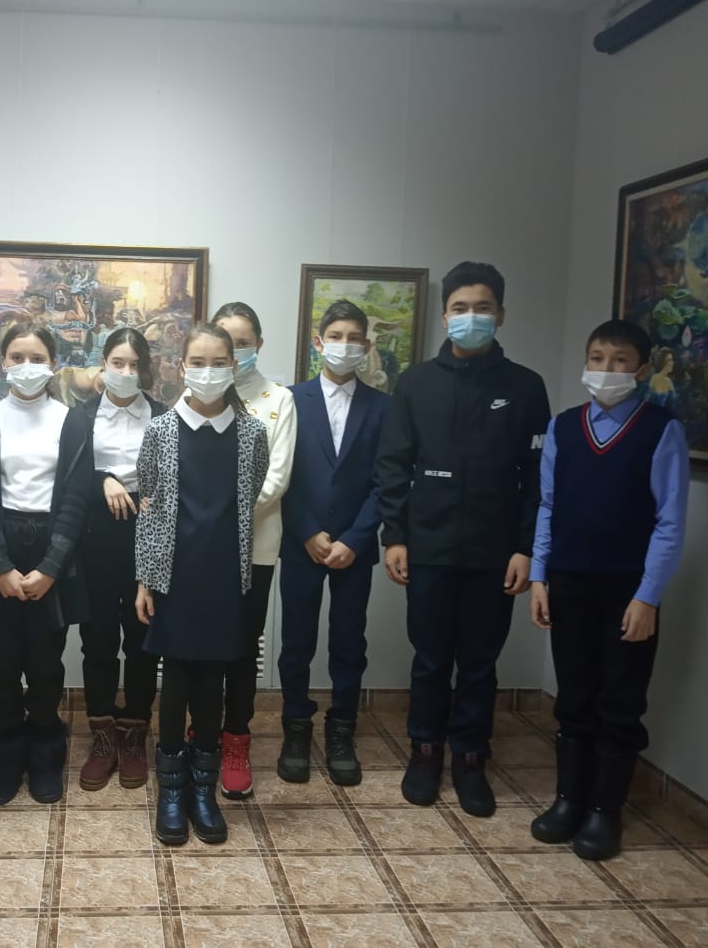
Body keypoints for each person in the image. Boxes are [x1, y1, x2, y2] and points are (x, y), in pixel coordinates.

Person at [376, 261, 551, 818]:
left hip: (495, 552)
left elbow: (538, 477)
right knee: (430, 658)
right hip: (427, 546)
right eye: (459, 308)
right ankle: (425, 750)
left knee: (479, 660)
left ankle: (471, 757)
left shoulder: (525, 387)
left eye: (482, 308)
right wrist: (394, 535)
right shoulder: (416, 383)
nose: (470, 317)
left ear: (501, 315)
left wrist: (526, 547)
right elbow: (393, 464)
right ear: (444, 314)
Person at [528, 319, 688, 861]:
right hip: (568, 581)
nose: (606, 370)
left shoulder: (660, 430)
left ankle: (604, 809)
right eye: (597, 358)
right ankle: (569, 799)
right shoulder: (564, 427)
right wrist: (540, 577)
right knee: (574, 695)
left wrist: (648, 596)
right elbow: (548, 506)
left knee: (620, 700)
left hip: (628, 591)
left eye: (619, 361)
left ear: (641, 370)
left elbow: (670, 522)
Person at [136, 323, 270, 846]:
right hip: (175, 578)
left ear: (233, 367)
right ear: (181, 366)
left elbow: (251, 494)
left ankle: (202, 789)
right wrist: (146, 578)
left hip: (224, 577)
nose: (208, 372)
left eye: (219, 362)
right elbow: (149, 507)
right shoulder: (160, 431)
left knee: (213, 685)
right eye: (198, 362)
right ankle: (171, 790)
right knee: (175, 683)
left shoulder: (252, 433)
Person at [0, 323, 92, 806]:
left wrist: (52, 566)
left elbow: (77, 499)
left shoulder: (73, 422)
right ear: (2, 362)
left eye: (37, 357)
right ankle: (4, 754)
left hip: (52, 551)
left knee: (44, 664)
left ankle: (44, 751)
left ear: (53, 364)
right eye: (16, 357)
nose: (26, 366)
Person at [277, 300, 389, 787]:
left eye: (354, 338)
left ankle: (342, 728)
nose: (345, 345)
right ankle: (296, 728)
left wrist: (356, 539)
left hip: (354, 548)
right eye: (336, 336)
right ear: (318, 343)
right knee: (296, 642)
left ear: (366, 345)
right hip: (302, 542)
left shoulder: (383, 406)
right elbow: (280, 474)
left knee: (349, 641)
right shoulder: (290, 400)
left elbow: (387, 481)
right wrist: (306, 531)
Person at [210, 302, 296, 799]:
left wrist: (221, 515)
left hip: (255, 547)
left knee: (243, 647)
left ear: (258, 344)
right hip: (200, 550)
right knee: (202, 643)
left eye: (243, 342)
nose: (234, 350)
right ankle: (202, 730)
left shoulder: (278, 400)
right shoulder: (198, 395)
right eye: (227, 341)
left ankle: (236, 740)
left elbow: (276, 477)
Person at [76, 328, 165, 792]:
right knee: (98, 641)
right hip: (95, 540)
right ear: (103, 364)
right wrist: (103, 480)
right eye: (117, 363)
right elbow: (66, 477)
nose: (126, 372)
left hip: (147, 537)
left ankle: (134, 734)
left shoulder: (165, 416)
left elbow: (177, 476)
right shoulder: (80, 416)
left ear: (144, 368)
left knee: (143, 640)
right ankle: (102, 735)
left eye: (134, 364)